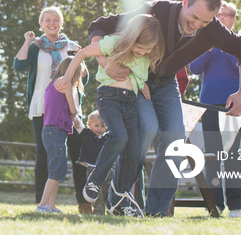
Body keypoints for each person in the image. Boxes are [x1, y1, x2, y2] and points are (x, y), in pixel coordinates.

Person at [88, 0, 241, 217]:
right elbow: (100, 25)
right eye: (194, 18)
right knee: (146, 129)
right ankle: (119, 196)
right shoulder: (156, 10)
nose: (196, 26)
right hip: (139, 80)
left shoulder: (212, 29)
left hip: (166, 83)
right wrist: (106, 63)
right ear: (185, 2)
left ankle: (155, 212)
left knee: (175, 140)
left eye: (204, 22)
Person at [58, 14, 164, 217]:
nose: (143, 52)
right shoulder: (114, 42)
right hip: (109, 97)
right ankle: (95, 181)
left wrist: (142, 85)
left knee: (134, 148)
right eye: (140, 48)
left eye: (148, 50)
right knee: (119, 136)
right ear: (131, 38)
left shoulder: (145, 55)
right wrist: (66, 75)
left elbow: (135, 74)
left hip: (129, 101)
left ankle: (121, 197)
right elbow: (81, 55)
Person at [13, 6, 88, 210]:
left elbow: (85, 78)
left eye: (55, 20)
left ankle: (83, 202)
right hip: (43, 106)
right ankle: (42, 202)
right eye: (47, 20)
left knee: (77, 153)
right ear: (41, 24)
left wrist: (80, 64)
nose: (52, 23)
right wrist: (27, 41)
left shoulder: (72, 46)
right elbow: (18, 66)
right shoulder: (36, 46)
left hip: (69, 106)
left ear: (61, 23)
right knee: (44, 154)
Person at [189, 1, 241, 217]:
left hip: (233, 107)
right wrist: (210, 47)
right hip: (208, 105)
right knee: (212, 156)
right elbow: (194, 68)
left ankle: (236, 206)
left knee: (232, 156)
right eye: (217, 15)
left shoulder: (239, 42)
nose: (221, 18)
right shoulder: (203, 41)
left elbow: (239, 67)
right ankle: (215, 204)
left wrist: (225, 43)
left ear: (233, 19)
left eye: (225, 15)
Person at [36, 56, 86, 214]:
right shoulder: (66, 84)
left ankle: (50, 206)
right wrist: (76, 114)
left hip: (51, 131)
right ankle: (42, 205)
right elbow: (73, 109)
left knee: (55, 169)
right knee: (57, 169)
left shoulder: (53, 84)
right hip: (55, 131)